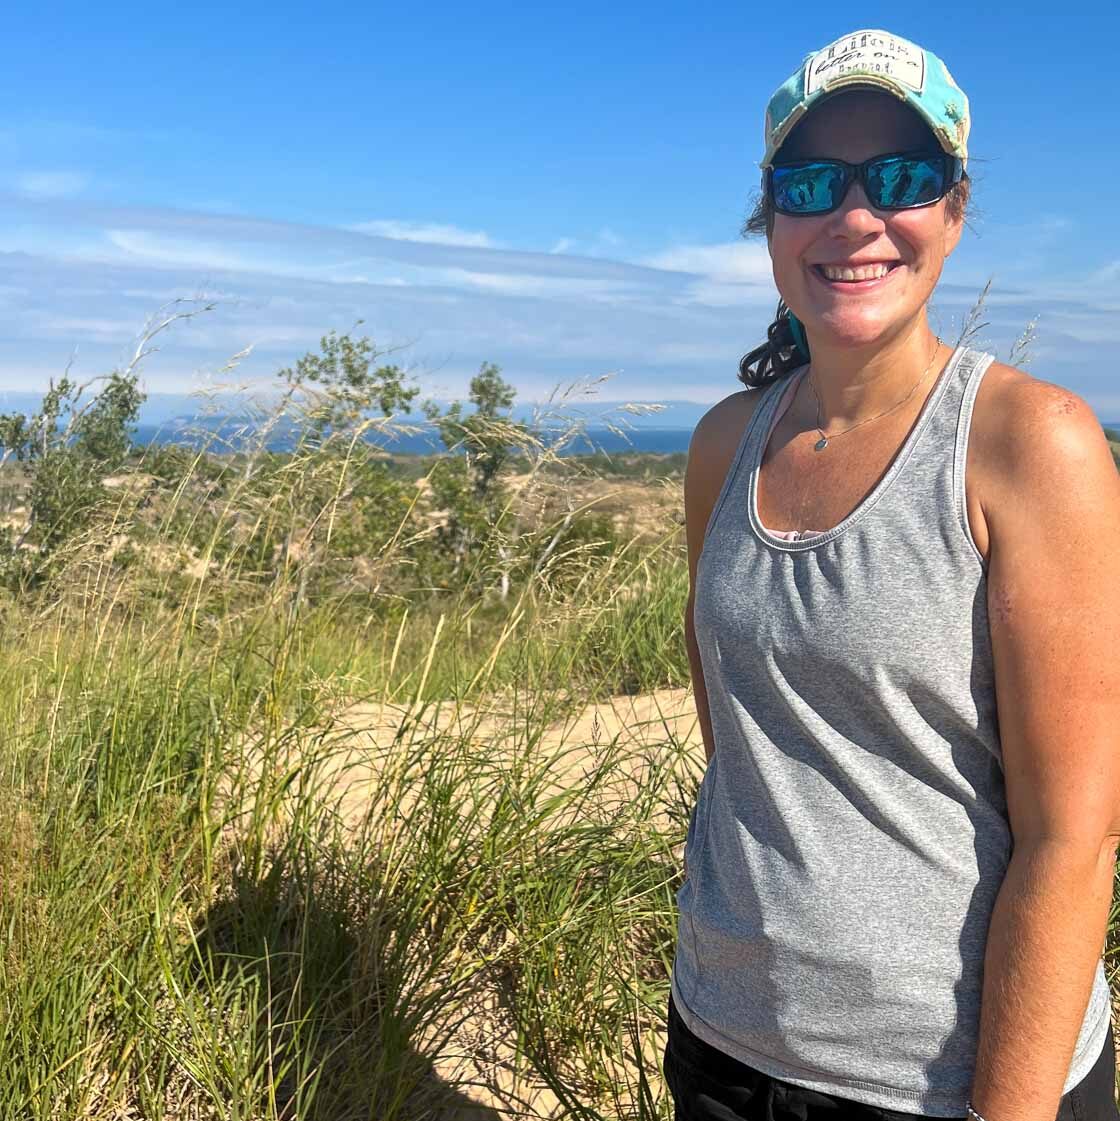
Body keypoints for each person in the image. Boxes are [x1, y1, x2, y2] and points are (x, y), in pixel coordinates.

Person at [666, 28, 1120, 1121]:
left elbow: (1074, 833)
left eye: (901, 179)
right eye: (811, 182)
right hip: (723, 1037)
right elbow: (735, 735)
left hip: (943, 1075)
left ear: (953, 212)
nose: (854, 216)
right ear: (771, 222)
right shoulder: (728, 442)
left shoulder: (1027, 441)